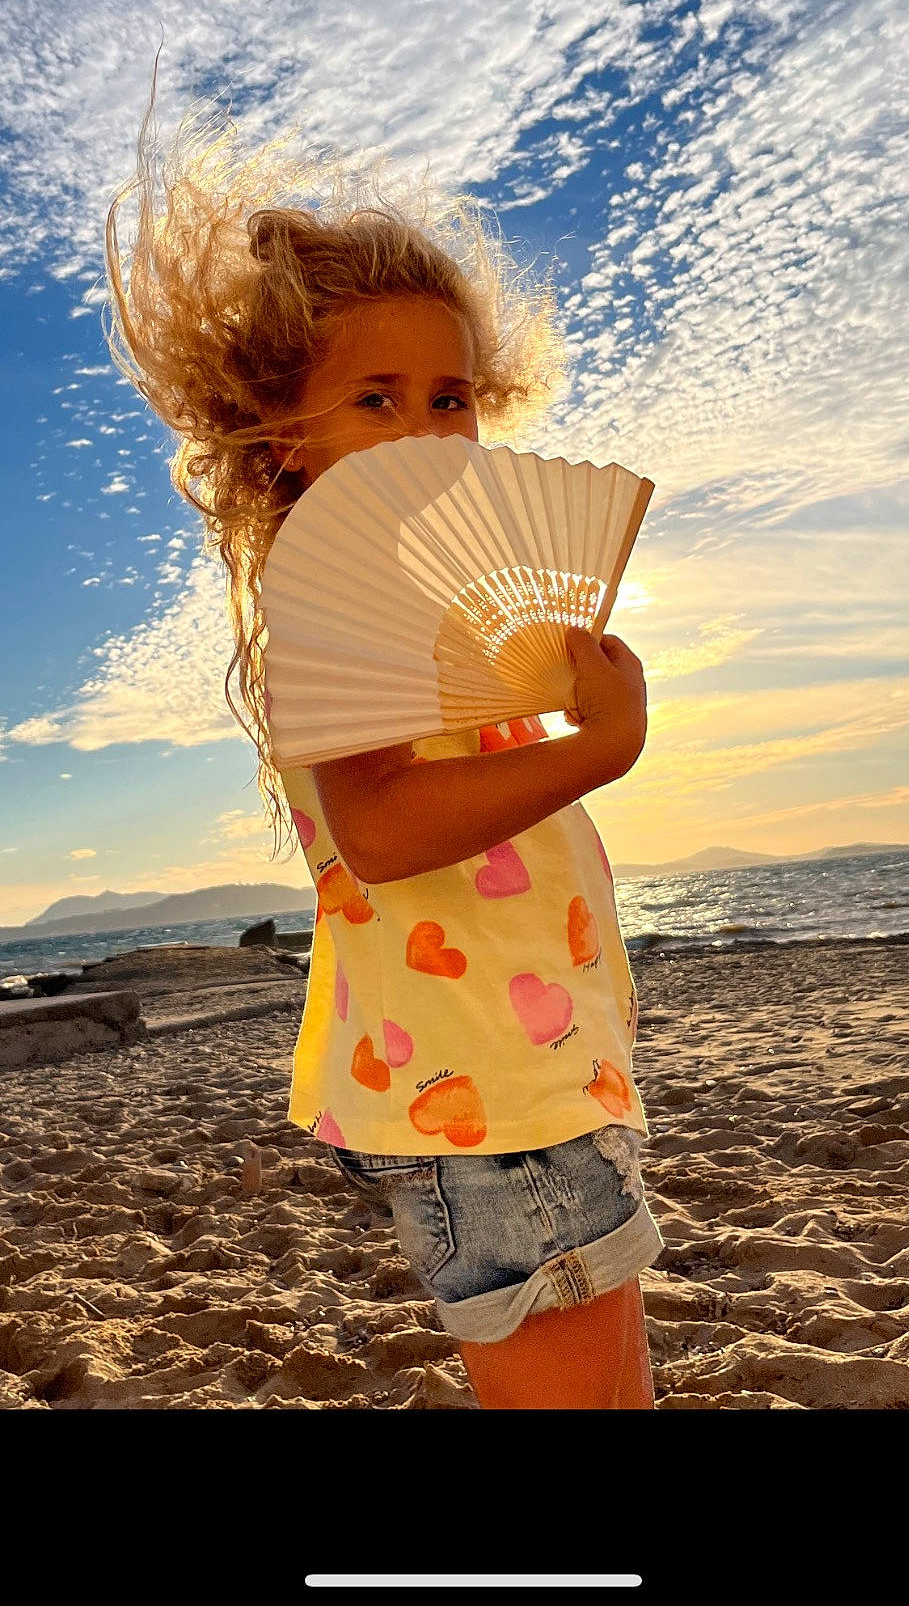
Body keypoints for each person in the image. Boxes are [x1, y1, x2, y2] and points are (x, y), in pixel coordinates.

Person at [104, 81, 664, 1410]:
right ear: (280, 441)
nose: (425, 431)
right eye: (375, 397)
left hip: (518, 1078)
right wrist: (599, 749)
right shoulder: (332, 609)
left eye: (451, 398)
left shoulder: (438, 612)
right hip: (494, 1106)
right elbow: (385, 827)